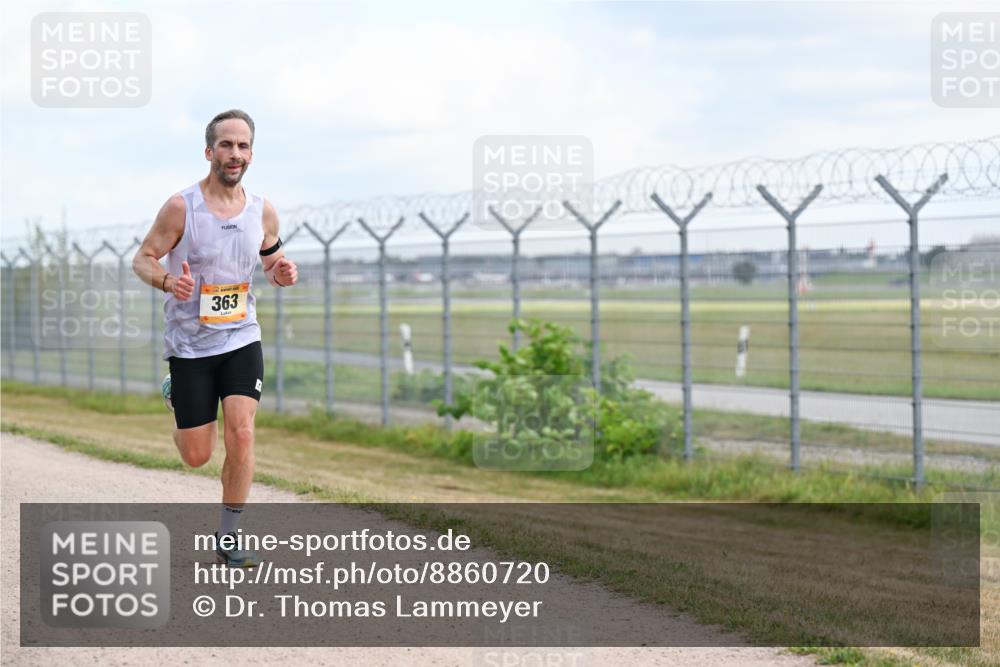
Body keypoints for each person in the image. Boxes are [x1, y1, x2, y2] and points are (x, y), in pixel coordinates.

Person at [132, 109, 297, 567]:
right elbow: (143, 258)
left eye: (243, 146)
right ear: (209, 151)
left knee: (242, 434)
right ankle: (176, 394)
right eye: (226, 144)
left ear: (251, 154)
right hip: (190, 345)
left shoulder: (261, 210)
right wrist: (168, 282)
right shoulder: (182, 207)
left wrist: (282, 271)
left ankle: (229, 536)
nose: (235, 153)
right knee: (196, 456)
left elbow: (271, 260)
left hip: (242, 337)